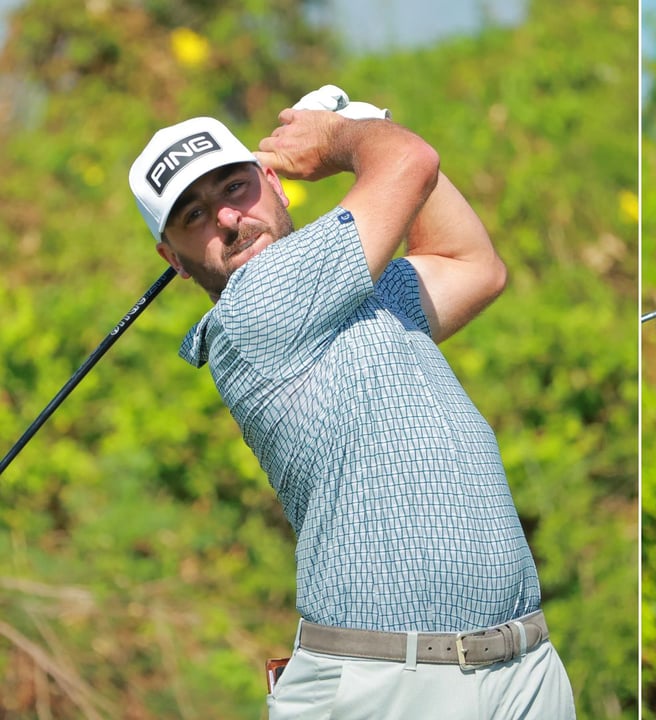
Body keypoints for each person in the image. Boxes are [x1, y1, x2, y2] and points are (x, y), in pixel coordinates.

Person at [128, 96, 575, 718]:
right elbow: (411, 162)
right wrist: (346, 135)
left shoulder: (352, 297)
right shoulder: (256, 310)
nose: (228, 218)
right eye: (194, 216)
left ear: (276, 186)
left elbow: (471, 266)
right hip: (384, 682)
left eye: (236, 186)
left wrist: (376, 130)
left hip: (520, 667)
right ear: (173, 259)